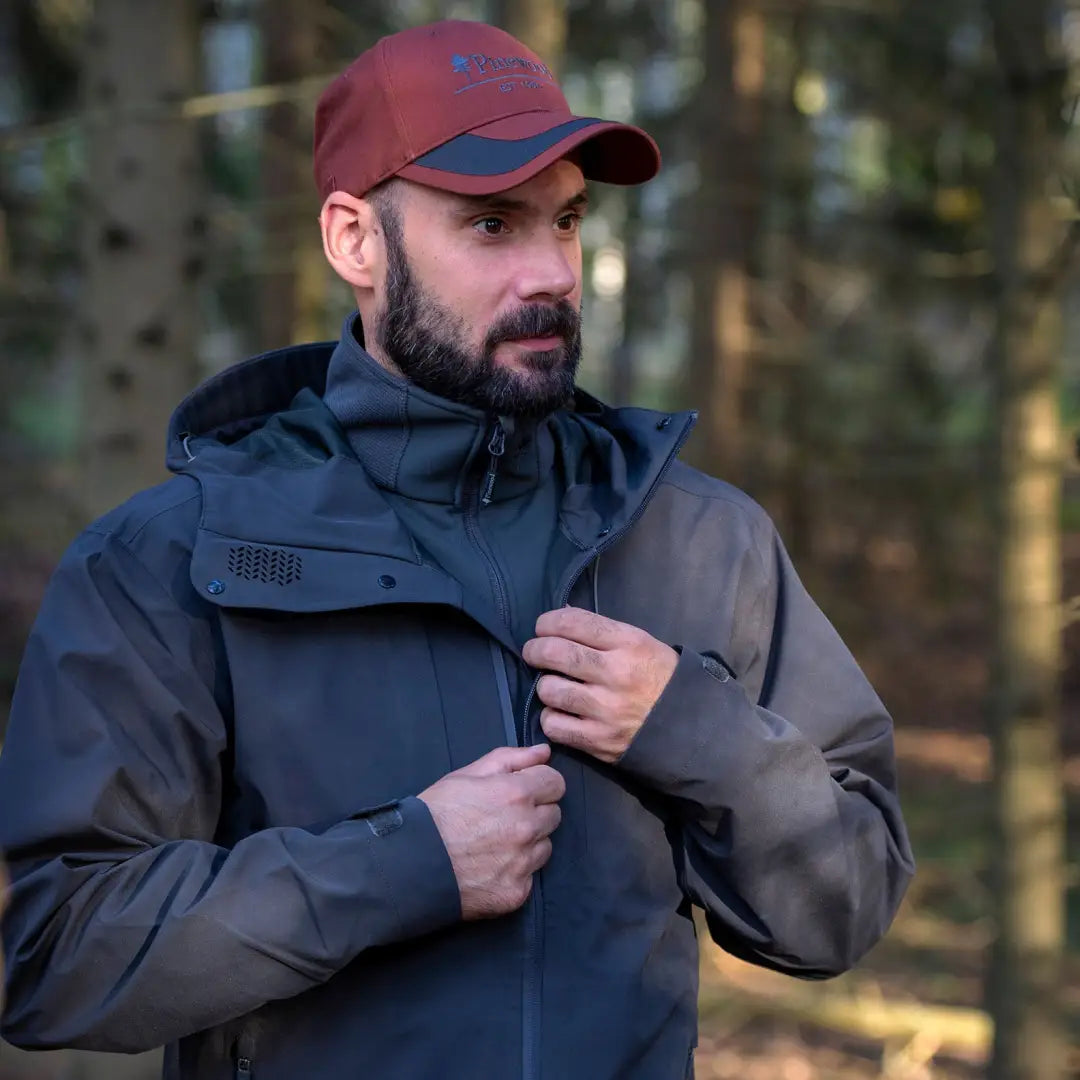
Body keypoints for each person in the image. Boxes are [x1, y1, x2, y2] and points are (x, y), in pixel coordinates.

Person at [0, 19, 914, 1080]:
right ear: (354, 241)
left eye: (566, 221)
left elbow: (842, 911)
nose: (552, 275)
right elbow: (56, 952)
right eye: (491, 225)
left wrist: (695, 731)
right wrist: (404, 866)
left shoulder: (701, 540)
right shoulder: (172, 561)